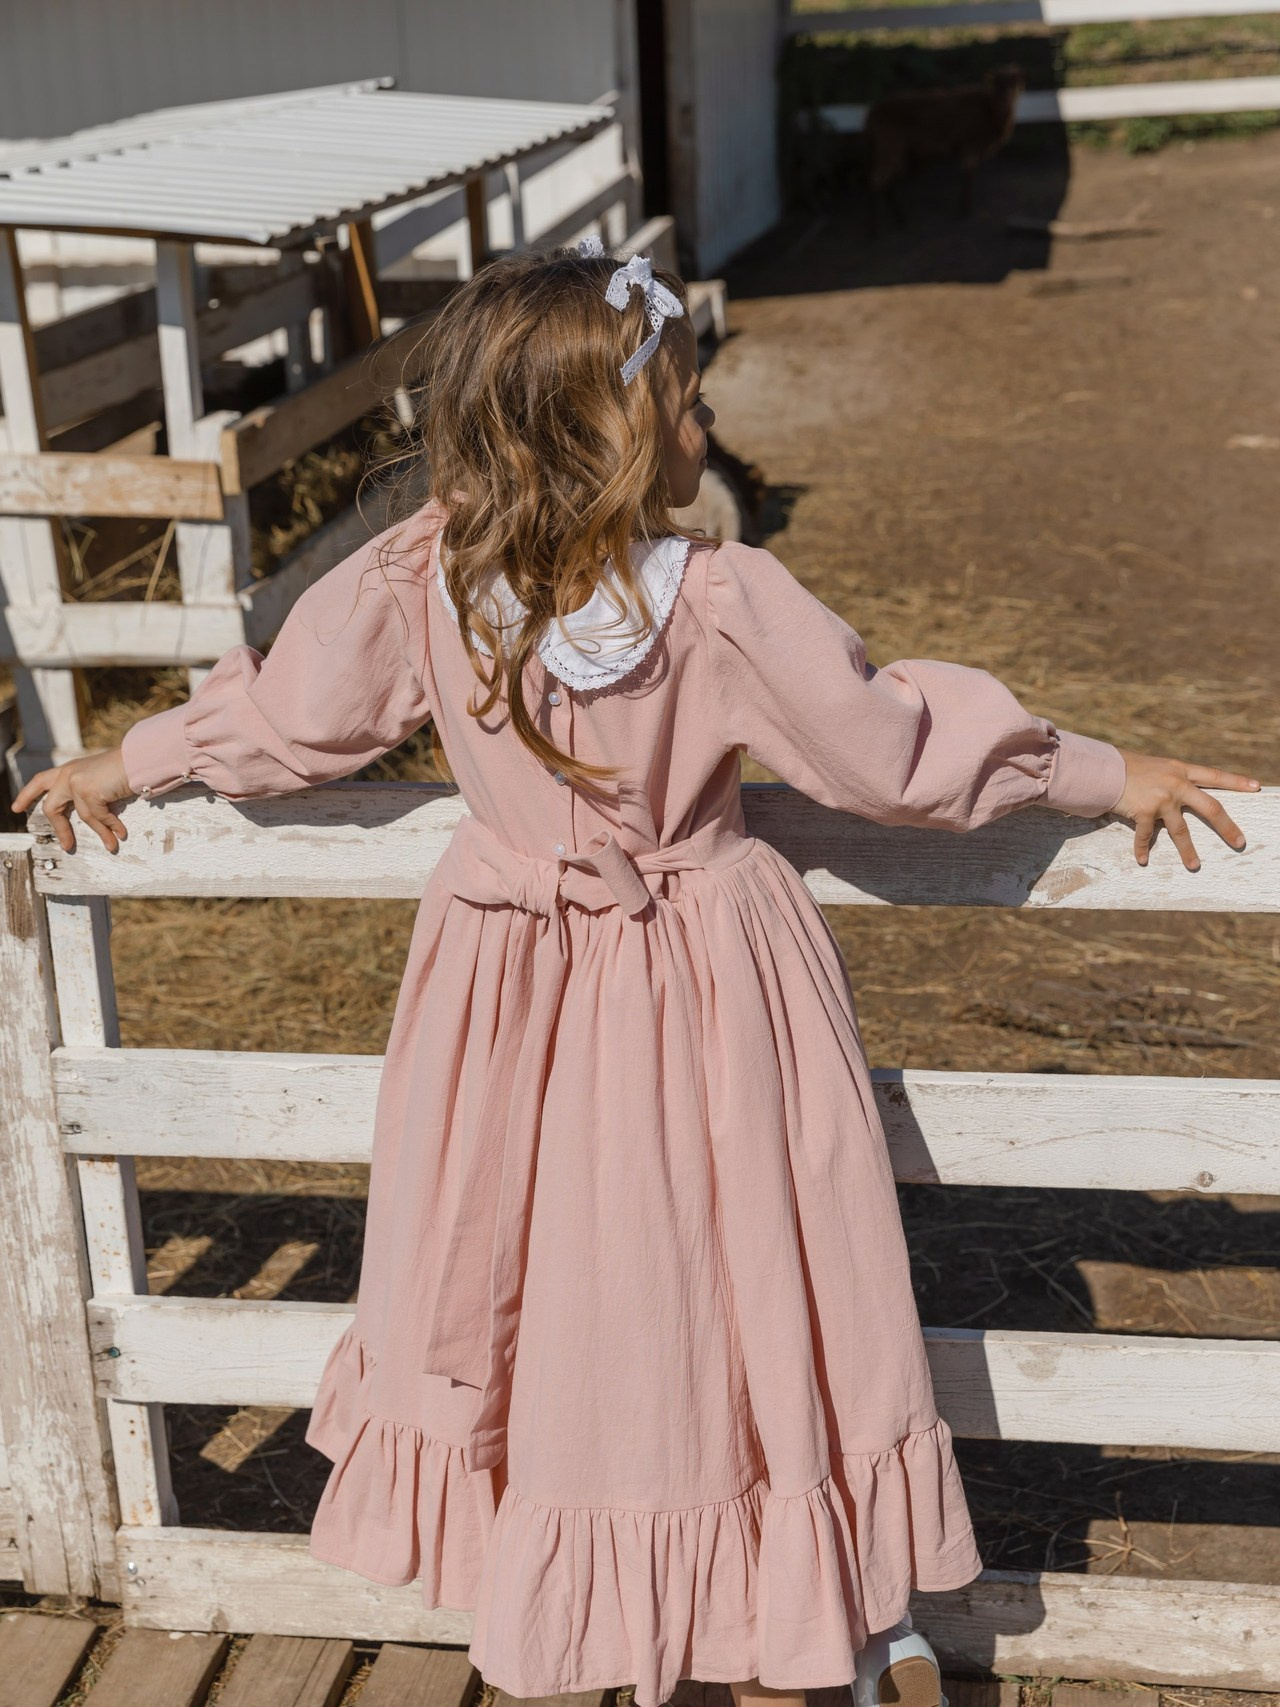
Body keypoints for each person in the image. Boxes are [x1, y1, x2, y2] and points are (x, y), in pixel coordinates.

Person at [15, 241, 1257, 1707]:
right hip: (705, 980)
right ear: (604, 432)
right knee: (726, 1282)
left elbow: (293, 720)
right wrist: (1102, 769)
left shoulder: (426, 582)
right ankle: (785, 1617)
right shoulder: (718, 600)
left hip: (512, 996)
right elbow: (891, 751)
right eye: (682, 401)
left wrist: (136, 751)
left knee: (593, 1289)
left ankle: (721, 1614)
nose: (702, 427)